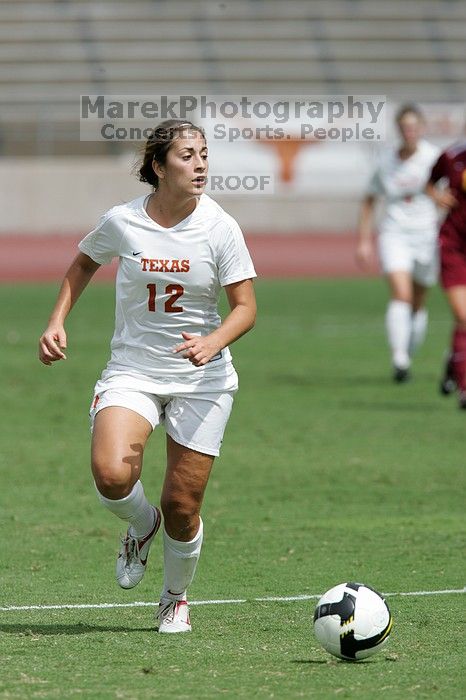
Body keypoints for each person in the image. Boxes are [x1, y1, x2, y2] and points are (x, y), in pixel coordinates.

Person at [38, 119, 257, 632]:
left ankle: (175, 597)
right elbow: (83, 263)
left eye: (204, 154)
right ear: (158, 167)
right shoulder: (123, 221)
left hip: (202, 380)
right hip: (133, 370)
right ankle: (141, 525)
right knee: (113, 475)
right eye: (187, 155)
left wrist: (213, 341)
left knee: (182, 504)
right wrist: (56, 321)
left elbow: (245, 308)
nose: (200, 164)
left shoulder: (221, 227)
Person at [356, 104, 440, 382]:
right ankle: (400, 359)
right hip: (395, 233)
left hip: (427, 235)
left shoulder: (435, 158)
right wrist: (364, 241)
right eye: (405, 127)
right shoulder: (386, 160)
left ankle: (408, 351)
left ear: (422, 129)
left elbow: (450, 194)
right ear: (399, 130)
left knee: (418, 300)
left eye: (414, 127)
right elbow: (370, 198)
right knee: (401, 294)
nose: (410, 132)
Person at [426, 139, 466, 408]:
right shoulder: (452, 156)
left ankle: (454, 361)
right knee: (464, 317)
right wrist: (436, 195)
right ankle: (465, 387)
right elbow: (429, 181)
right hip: (453, 247)